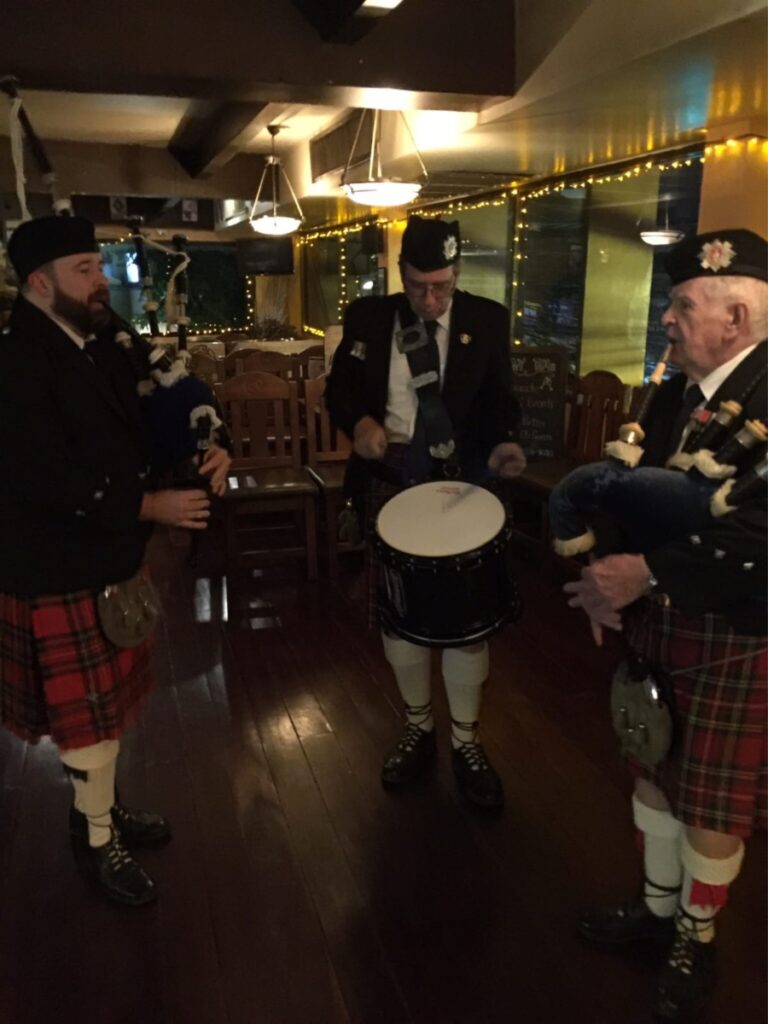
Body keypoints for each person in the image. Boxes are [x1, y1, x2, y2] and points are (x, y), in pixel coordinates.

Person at [565, 229, 767, 1022]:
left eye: (682, 306)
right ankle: (655, 909)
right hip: (662, 618)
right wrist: (603, 578)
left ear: (737, 313)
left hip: (736, 626)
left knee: (713, 804)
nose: (670, 322)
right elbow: (630, 491)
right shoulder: (675, 390)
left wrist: (645, 573)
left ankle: (696, 930)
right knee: (651, 762)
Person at [0, 215, 230, 906]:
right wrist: (149, 507)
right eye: (85, 270)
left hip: (107, 556)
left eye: (98, 267)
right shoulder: (15, 361)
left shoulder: (106, 337)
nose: (102, 281)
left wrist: (207, 440)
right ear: (40, 284)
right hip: (54, 565)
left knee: (107, 709)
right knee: (87, 722)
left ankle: (100, 808)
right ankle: (96, 841)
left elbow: (174, 393)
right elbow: (42, 478)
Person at [325, 215, 526, 809]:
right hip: (391, 478)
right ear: (400, 275)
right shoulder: (367, 318)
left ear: (457, 274)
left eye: (441, 286)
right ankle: (418, 726)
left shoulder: (487, 320)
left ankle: (466, 740)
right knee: (399, 615)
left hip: (462, 487)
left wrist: (504, 442)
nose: (430, 300)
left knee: (467, 624)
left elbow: (499, 402)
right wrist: (360, 424)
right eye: (417, 287)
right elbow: (339, 391)